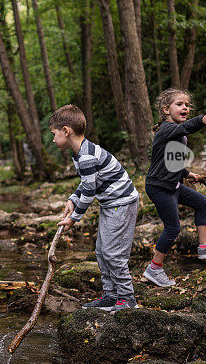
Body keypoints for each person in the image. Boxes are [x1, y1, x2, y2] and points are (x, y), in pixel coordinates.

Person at [51, 104, 140, 312]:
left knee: (112, 253)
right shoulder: (80, 153)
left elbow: (90, 193)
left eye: (55, 134)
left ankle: (127, 298)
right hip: (111, 204)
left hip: (122, 204)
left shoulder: (86, 155)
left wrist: (74, 218)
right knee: (101, 251)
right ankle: (111, 295)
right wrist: (72, 198)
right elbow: (87, 183)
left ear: (66, 131)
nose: (54, 139)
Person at [142, 88, 206, 288]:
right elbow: (187, 128)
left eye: (187, 105)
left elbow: (171, 160)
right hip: (159, 186)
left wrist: (186, 174)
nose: (185, 108)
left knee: (201, 201)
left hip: (172, 184)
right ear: (166, 110)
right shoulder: (166, 129)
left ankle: (205, 246)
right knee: (173, 227)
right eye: (179, 104)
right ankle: (154, 268)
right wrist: (201, 120)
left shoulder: (178, 134)